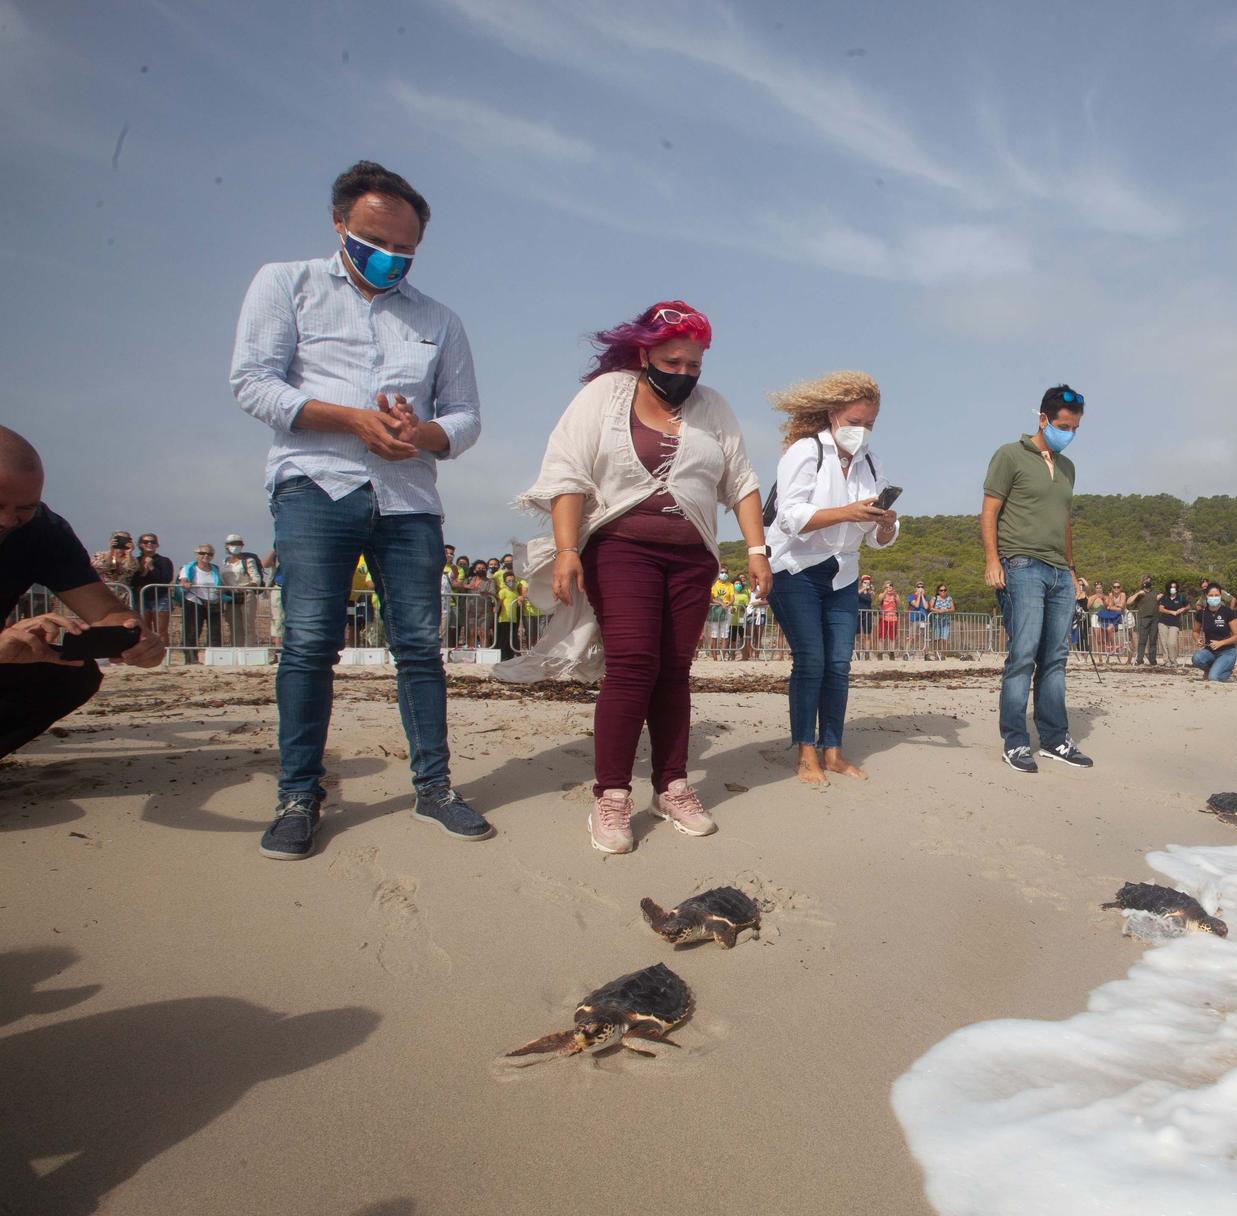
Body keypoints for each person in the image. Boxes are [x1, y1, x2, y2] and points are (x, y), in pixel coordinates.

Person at [228, 159, 489, 859]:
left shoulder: (439, 319)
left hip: (409, 502)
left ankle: (434, 788)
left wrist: (421, 433)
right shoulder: (287, 284)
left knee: (419, 649)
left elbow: (464, 417)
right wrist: (352, 420)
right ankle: (297, 794)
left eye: (407, 248)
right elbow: (252, 383)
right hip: (315, 485)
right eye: (376, 240)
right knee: (311, 641)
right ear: (339, 222)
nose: (392, 258)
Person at [500, 299, 766, 853]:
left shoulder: (712, 407)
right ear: (645, 353)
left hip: (692, 557)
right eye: (672, 363)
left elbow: (741, 480)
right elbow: (568, 472)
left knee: (674, 669)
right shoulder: (605, 395)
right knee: (633, 664)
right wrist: (569, 549)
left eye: (694, 365)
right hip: (621, 548)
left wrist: (758, 550)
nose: (684, 375)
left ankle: (670, 784)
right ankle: (612, 793)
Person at [765, 369, 899, 783]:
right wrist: (848, 511)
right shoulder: (806, 451)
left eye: (870, 425)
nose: (862, 432)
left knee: (839, 664)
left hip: (843, 573)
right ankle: (806, 751)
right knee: (812, 660)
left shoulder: (870, 461)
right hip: (795, 569)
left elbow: (875, 539)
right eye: (855, 423)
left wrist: (885, 524)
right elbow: (790, 517)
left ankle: (834, 750)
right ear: (832, 414)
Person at [0, 427, 166, 758]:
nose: (7, 520)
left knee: (72, 671)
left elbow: (106, 610)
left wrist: (138, 637)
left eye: (25, 508)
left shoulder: (42, 530)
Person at [983, 384, 1092, 774]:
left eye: (1075, 428)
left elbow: (1063, 521)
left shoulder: (1068, 468)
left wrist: (1073, 571)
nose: (1069, 433)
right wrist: (992, 560)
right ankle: (1014, 742)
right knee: (1023, 655)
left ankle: (1054, 738)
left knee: (1056, 659)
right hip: (1021, 566)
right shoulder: (1009, 455)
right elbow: (989, 511)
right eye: (1063, 425)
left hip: (1060, 572)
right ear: (1042, 419)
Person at [220, 533, 266, 646]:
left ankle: (249, 650)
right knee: (234, 626)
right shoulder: (224, 561)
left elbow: (256, 579)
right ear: (227, 546)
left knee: (248, 625)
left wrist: (245, 587)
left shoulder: (248, 560)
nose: (235, 546)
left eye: (238, 543)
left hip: (247, 595)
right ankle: (236, 650)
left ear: (242, 545)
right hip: (230, 597)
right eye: (232, 544)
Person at [1190, 584, 1237, 682]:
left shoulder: (1228, 612)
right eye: (1211, 595)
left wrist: (1221, 643)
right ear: (1206, 596)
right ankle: (1213, 670)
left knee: (1213, 678)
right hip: (1210, 651)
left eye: (1216, 595)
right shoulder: (1201, 613)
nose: (1214, 598)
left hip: (1227, 651)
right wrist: (1197, 639)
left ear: (1221, 596)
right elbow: (1195, 631)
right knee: (1196, 658)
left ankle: (1230, 671)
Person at [178, 543, 224, 648]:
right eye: (202, 553)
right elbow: (183, 581)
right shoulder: (188, 568)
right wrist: (186, 584)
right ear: (196, 554)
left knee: (215, 632)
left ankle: (215, 657)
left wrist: (221, 590)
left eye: (210, 554)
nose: (206, 555)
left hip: (213, 602)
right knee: (192, 630)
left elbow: (221, 584)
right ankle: (191, 657)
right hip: (194, 601)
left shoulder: (215, 569)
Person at [131, 532, 174, 639]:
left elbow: (166, 579)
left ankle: (163, 655)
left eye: (152, 542)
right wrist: (143, 571)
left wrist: (151, 567)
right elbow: (134, 581)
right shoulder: (135, 561)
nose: (149, 544)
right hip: (141, 598)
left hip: (160, 598)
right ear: (140, 544)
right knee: (144, 631)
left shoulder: (164, 561)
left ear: (157, 545)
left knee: (161, 631)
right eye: (146, 542)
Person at [1128, 575, 1160, 666]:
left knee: (1153, 640)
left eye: (1149, 580)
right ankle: (1140, 659)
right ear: (1142, 582)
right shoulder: (1139, 593)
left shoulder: (1155, 592)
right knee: (1142, 640)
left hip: (1154, 618)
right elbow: (1128, 602)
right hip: (1143, 618)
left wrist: (1161, 596)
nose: (1148, 582)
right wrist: (1137, 594)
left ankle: (1152, 660)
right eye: (1146, 580)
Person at [1157, 578, 1188, 665]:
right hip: (1163, 622)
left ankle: (1173, 660)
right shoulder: (1164, 597)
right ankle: (1167, 661)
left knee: (1172, 643)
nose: (1172, 589)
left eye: (1174, 587)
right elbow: (1160, 609)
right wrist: (1172, 612)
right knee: (1164, 643)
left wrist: (1183, 608)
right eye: (1171, 587)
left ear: (1177, 588)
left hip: (1175, 623)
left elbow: (1188, 606)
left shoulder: (1181, 597)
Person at [930, 582, 954, 655]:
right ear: (938, 591)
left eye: (944, 590)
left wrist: (946, 610)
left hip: (946, 621)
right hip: (936, 621)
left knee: (944, 638)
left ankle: (943, 654)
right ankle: (935, 653)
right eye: (941, 590)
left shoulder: (949, 598)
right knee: (936, 638)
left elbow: (953, 609)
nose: (943, 591)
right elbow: (930, 608)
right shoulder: (934, 598)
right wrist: (938, 610)